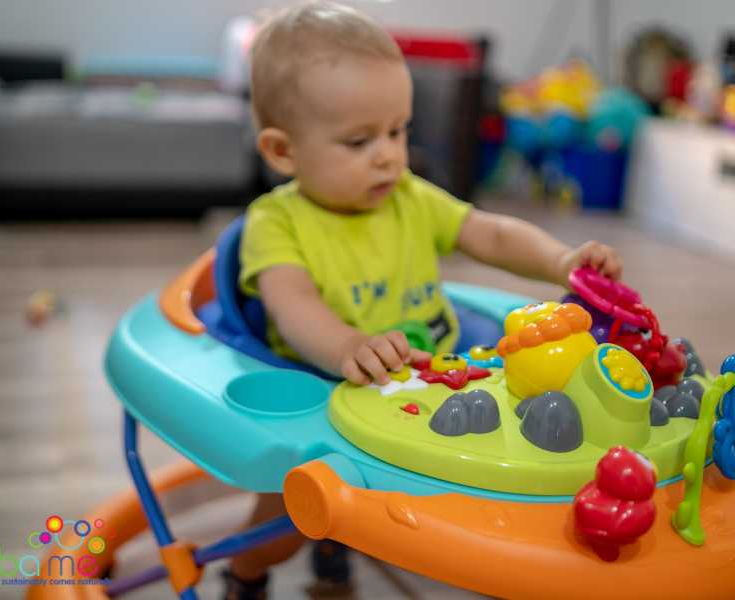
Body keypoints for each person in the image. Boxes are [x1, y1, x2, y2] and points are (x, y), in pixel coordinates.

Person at [225, 2, 623, 599]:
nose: (388, 154)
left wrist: (560, 261)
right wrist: (347, 347)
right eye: (359, 140)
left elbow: (489, 232)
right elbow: (293, 304)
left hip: (433, 381)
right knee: (286, 514)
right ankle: (244, 573)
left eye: (397, 131)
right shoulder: (275, 223)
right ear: (283, 151)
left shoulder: (407, 196)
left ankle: (349, 537)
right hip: (326, 387)